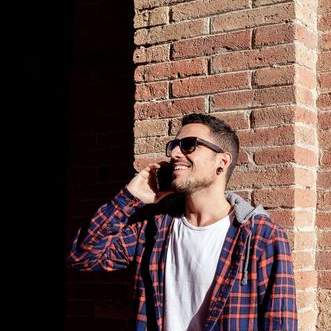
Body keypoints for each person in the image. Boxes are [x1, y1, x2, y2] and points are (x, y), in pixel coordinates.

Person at [67, 113, 298, 330]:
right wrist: (130, 198)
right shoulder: (154, 228)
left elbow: (281, 323)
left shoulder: (260, 236)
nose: (175, 153)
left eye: (189, 145)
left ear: (223, 161)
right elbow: (83, 257)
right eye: (174, 146)